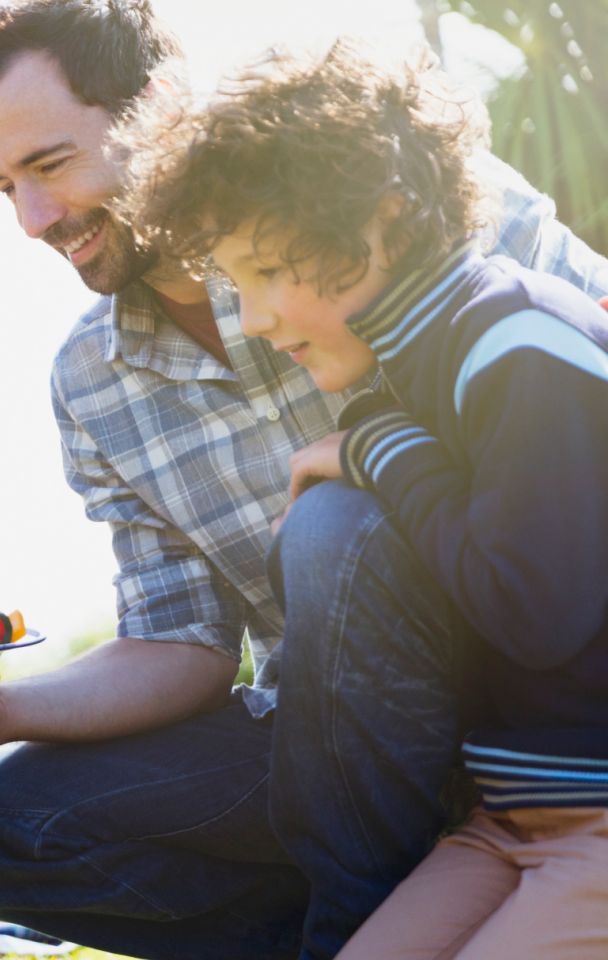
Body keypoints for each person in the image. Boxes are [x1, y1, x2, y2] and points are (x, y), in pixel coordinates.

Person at [0, 4, 608, 959]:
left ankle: (356, 923)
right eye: (5, 189)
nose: (33, 220)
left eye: (51, 165)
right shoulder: (93, 381)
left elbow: (582, 362)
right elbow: (183, 643)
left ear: (159, 109)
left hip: (542, 703)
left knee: (330, 527)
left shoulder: (378, 213)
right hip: (324, 743)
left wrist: (376, 447)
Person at [119, 41, 608, 960]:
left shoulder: (519, 344)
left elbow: (534, 611)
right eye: (236, 282)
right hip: (508, 820)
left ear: (383, 221)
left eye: (266, 272)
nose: (254, 318)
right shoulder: (424, 365)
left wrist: (379, 446)